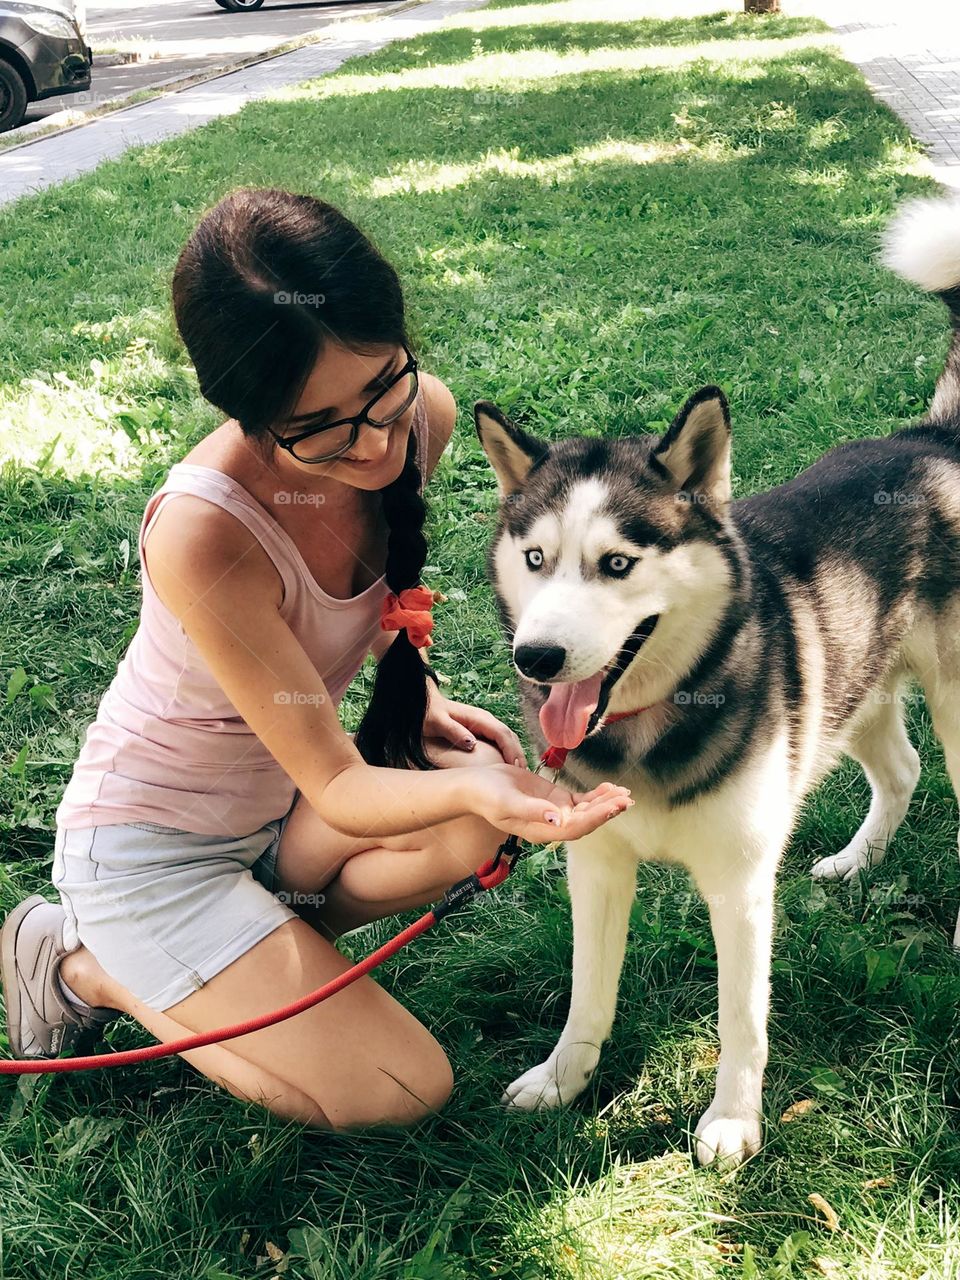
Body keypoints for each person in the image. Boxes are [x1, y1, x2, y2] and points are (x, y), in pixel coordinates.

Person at [0, 188, 632, 1131]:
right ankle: (83, 965)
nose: (376, 441)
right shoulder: (205, 531)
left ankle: (252, 951)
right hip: (154, 853)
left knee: (479, 814)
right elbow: (339, 785)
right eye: (323, 428)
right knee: (401, 1089)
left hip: (281, 813)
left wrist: (417, 694)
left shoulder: (425, 420)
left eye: (384, 387)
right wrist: (475, 790)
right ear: (246, 412)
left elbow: (368, 603)